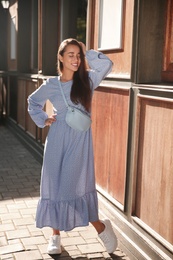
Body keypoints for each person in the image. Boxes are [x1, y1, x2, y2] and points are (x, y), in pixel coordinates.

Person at [27, 38, 118, 255]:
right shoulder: (51, 84)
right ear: (60, 57)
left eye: (78, 55)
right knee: (53, 184)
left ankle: (101, 226)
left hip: (80, 141)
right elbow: (33, 101)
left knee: (75, 185)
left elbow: (107, 65)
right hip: (57, 139)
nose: (75, 59)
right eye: (70, 55)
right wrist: (44, 118)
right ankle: (55, 235)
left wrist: (86, 53)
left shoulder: (88, 79)